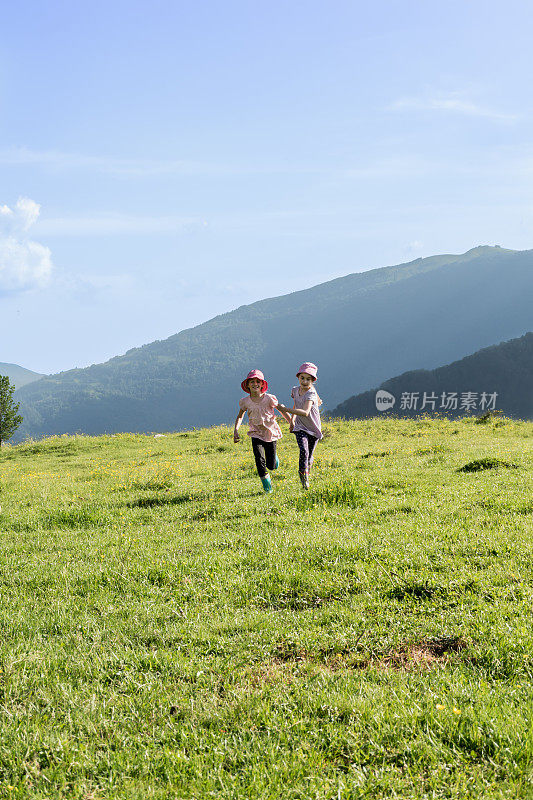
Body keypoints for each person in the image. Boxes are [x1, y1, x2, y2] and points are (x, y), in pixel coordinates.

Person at [234, 369, 293, 493]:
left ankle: (274, 458)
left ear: (262, 384)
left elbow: (281, 410)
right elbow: (240, 416)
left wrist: (291, 423)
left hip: (270, 433)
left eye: (257, 381)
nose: (255, 384)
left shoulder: (269, 399)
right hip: (256, 434)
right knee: (259, 459)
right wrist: (236, 430)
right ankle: (267, 487)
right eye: (252, 382)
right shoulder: (245, 401)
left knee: (271, 465)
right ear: (247, 385)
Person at [277, 362, 323, 490]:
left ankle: (307, 469)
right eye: (302, 378)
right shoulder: (295, 390)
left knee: (309, 456)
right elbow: (296, 405)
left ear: (313, 380)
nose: (304, 381)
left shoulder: (311, 394)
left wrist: (284, 410)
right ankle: (304, 478)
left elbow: (305, 412)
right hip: (300, 427)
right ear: (298, 377)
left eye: (308, 379)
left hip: (313, 429)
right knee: (304, 450)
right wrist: (292, 421)